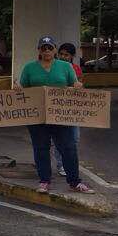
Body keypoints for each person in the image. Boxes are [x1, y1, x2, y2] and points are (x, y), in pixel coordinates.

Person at [18, 36, 93, 194]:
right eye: (43, 47)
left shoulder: (65, 67)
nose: (46, 50)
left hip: (60, 116)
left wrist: (78, 86)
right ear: (39, 50)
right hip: (37, 117)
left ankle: (74, 182)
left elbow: (74, 84)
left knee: (69, 148)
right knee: (41, 149)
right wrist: (17, 89)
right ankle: (44, 181)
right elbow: (23, 88)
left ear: (54, 50)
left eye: (49, 47)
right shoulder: (29, 68)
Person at [52, 42, 83, 177]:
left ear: (72, 56)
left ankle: (69, 163)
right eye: (62, 54)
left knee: (74, 138)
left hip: (72, 109)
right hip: (57, 108)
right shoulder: (53, 67)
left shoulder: (76, 69)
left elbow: (81, 88)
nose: (64, 57)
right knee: (59, 139)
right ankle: (61, 165)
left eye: (67, 55)